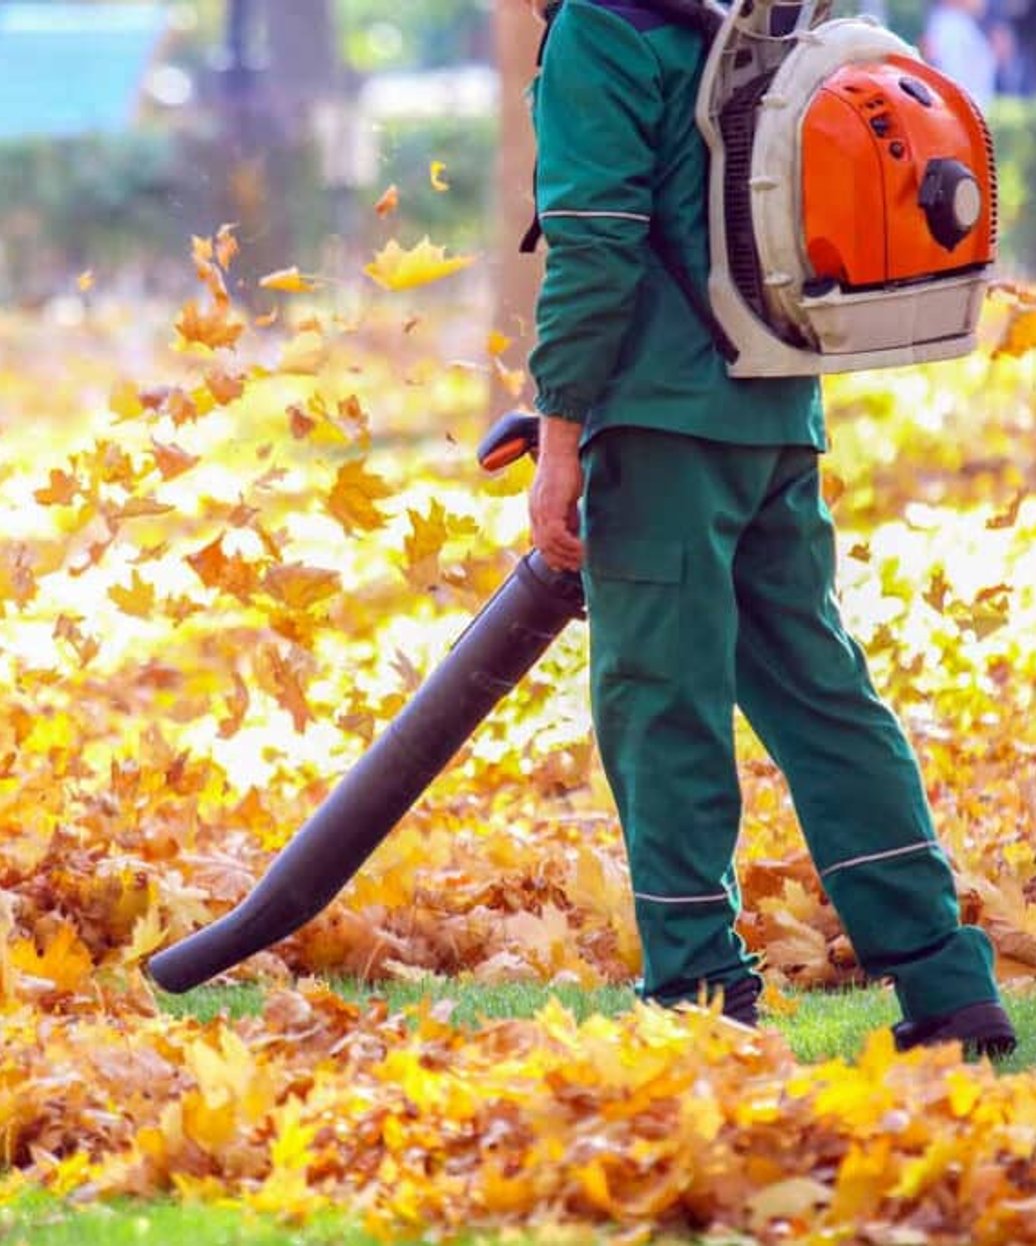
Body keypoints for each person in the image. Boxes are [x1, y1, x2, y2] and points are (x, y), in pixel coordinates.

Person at [524, 0, 1017, 1055]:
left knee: (661, 700)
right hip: (775, 401)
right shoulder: (735, 11)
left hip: (660, 418)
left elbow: (595, 243)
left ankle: (698, 991)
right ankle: (945, 983)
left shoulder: (600, 28)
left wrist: (561, 431)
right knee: (820, 692)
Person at [921, 0, 999, 109]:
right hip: (959, 113)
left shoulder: (963, 23)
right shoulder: (949, 26)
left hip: (968, 113)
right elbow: (953, 81)